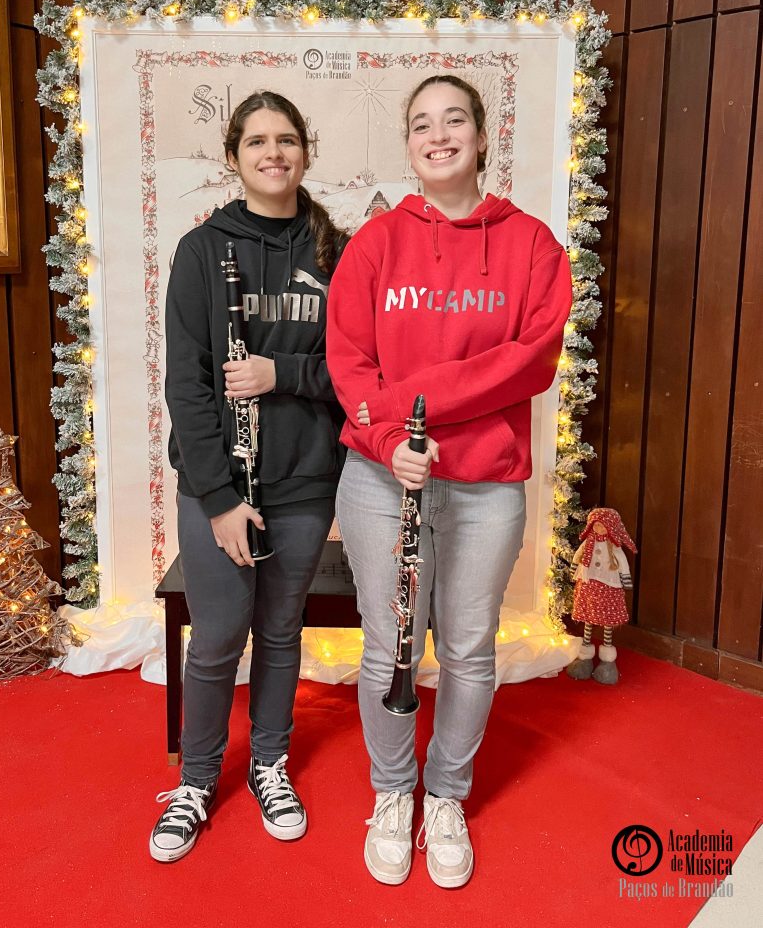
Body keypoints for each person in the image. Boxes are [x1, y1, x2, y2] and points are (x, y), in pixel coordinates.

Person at [327, 75, 572, 888]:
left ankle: (445, 796)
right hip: (380, 480)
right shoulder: (374, 244)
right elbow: (347, 362)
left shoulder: (531, 245)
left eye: (453, 120)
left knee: (467, 649)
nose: (438, 136)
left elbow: (528, 362)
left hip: (485, 486)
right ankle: (392, 792)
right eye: (422, 124)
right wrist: (389, 438)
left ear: (480, 135)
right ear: (408, 143)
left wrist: (407, 404)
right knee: (387, 647)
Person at [150, 91, 346, 862]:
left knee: (281, 629)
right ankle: (197, 780)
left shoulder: (337, 250)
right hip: (219, 487)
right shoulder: (204, 251)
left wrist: (280, 373)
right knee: (217, 636)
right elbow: (187, 386)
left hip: (303, 478)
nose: (273, 153)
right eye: (257, 141)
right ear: (232, 156)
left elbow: (356, 372)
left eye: (286, 139)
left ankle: (269, 763)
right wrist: (220, 499)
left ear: (305, 151)